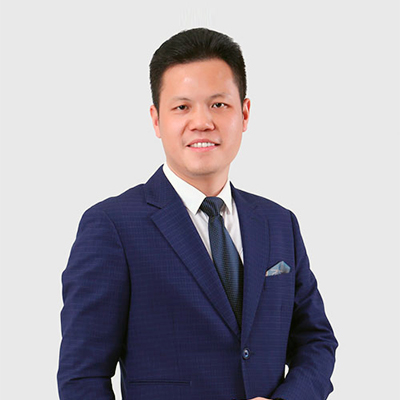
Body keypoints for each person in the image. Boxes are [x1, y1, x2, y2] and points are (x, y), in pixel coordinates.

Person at [57, 28, 338, 400]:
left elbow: (316, 341)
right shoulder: (112, 227)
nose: (202, 122)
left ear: (245, 113)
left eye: (219, 105)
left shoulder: (278, 222)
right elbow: (82, 378)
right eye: (182, 107)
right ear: (156, 120)